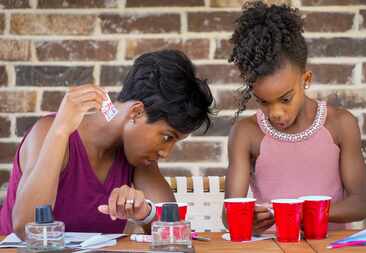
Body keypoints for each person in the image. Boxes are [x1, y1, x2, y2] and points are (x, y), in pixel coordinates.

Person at [0, 49, 214, 238]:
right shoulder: (50, 132)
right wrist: (60, 130)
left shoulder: (138, 158)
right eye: (167, 137)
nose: (166, 152)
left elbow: (173, 230)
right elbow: (26, 227)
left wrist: (144, 214)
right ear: (136, 112)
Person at [223, 1, 366, 234]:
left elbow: (360, 204)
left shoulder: (341, 124)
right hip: (271, 247)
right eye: (263, 102)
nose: (276, 113)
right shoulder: (245, 133)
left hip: (327, 246)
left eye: (285, 99)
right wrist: (247, 220)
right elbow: (229, 216)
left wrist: (302, 212)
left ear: (306, 80)